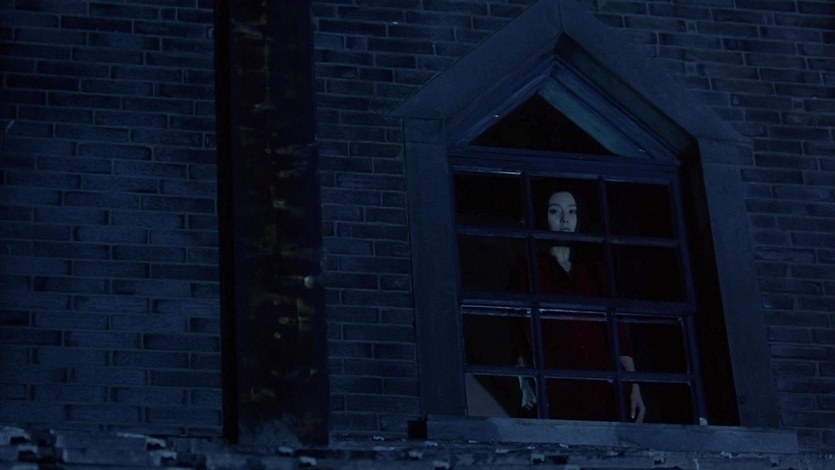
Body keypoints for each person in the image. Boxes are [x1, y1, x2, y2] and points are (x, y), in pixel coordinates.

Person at [516, 189, 646, 423]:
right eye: (555, 211)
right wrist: (524, 382)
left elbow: (620, 335)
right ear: (543, 216)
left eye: (572, 212)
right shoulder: (528, 270)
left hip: (603, 385)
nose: (565, 219)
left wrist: (634, 386)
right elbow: (517, 335)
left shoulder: (596, 271)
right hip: (557, 384)